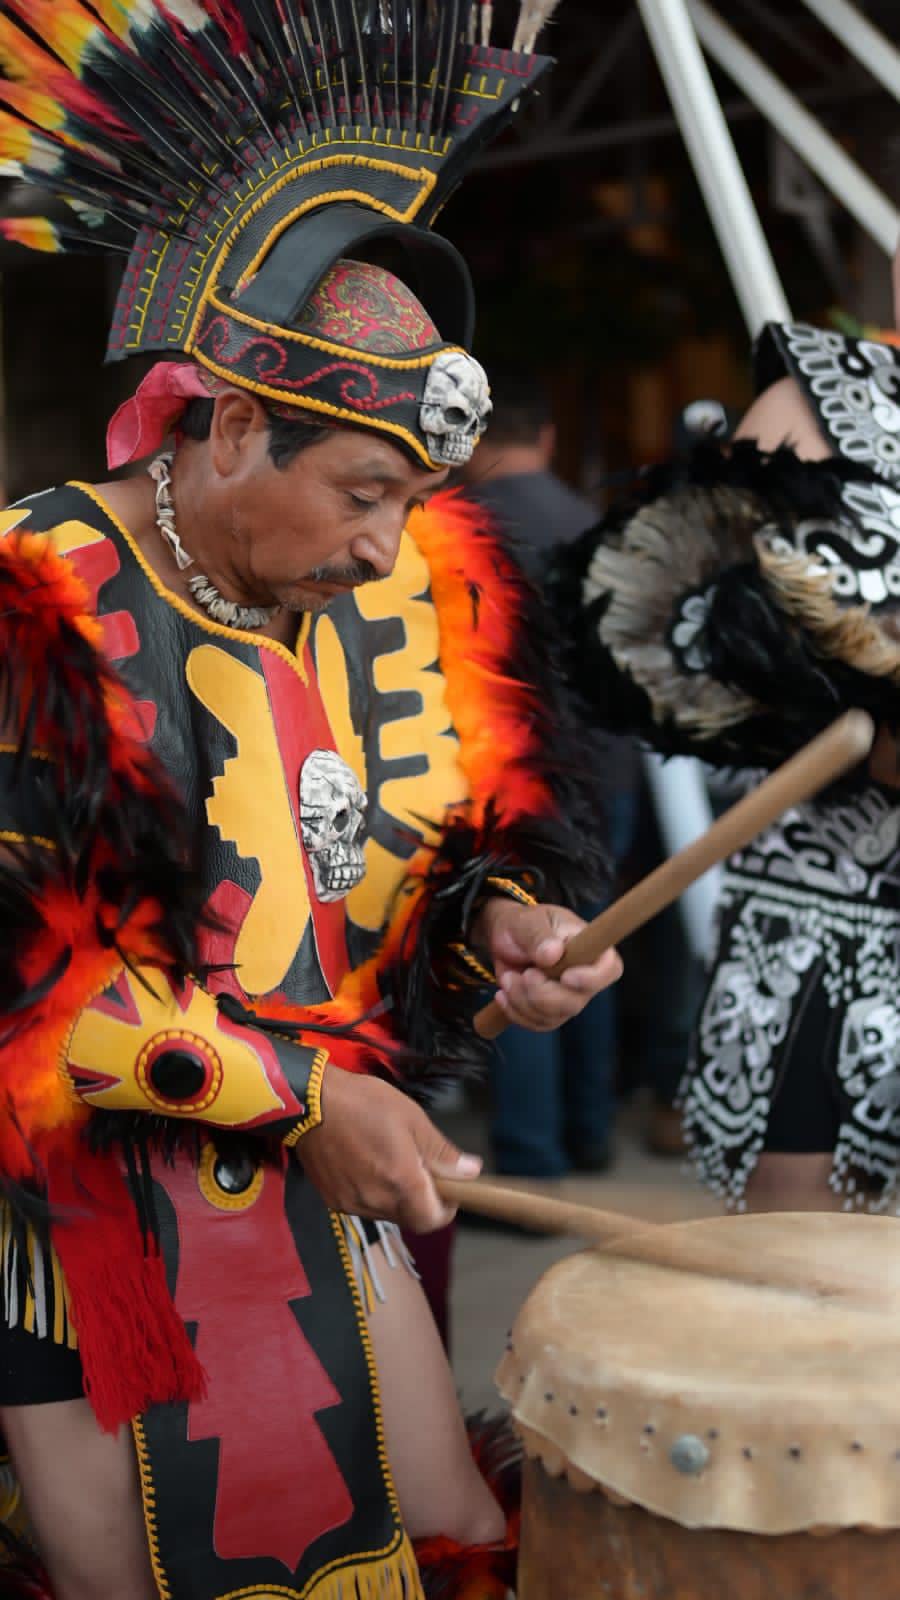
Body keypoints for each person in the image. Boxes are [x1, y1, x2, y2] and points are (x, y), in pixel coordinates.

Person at [0, 7, 621, 1598]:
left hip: (308, 1204)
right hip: (80, 1248)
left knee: (446, 1544)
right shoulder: (36, 597)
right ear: (228, 426)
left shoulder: (359, 608)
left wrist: (503, 933)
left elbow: (384, 873)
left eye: (409, 503)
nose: (384, 548)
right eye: (363, 495)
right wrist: (291, 1099)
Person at [565, 283, 900, 1217]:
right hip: (830, 912)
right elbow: (675, 629)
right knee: (798, 1268)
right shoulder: (821, 402)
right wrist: (853, 684)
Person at [461, 375, 640, 1175]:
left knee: (524, 955)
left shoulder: (456, 528)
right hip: (608, 768)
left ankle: (532, 1150)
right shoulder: (592, 521)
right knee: (586, 948)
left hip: (513, 779)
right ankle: (590, 1130)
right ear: (550, 437)